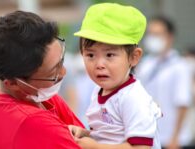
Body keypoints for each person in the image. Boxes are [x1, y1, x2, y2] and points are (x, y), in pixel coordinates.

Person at [0, 11, 84, 149]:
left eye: (62, 60)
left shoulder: (36, 95)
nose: (64, 72)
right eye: (53, 72)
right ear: (13, 83)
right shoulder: (30, 121)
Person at [69, 3, 162, 149]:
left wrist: (95, 147)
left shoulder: (132, 98)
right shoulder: (98, 91)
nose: (99, 64)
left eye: (110, 55)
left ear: (134, 57)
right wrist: (85, 134)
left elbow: (141, 147)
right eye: (90, 55)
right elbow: (109, 135)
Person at [137, 16, 194, 149]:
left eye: (157, 34)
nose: (152, 38)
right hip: (149, 137)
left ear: (170, 37)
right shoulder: (145, 64)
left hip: (173, 140)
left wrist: (175, 137)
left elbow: (183, 103)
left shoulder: (180, 66)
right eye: (150, 34)